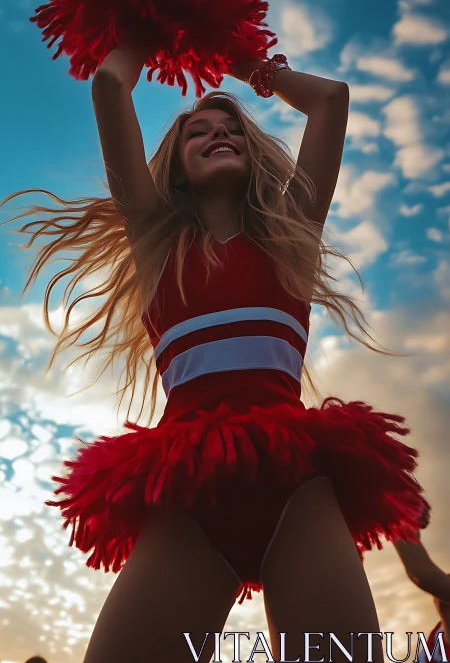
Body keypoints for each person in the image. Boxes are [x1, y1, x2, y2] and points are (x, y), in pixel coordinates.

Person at [4, 46, 430, 663]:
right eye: (197, 132)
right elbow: (108, 85)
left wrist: (245, 63)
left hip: (297, 488)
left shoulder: (293, 235)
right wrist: (148, 35)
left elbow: (330, 99)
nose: (218, 133)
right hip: (190, 497)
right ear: (174, 165)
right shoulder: (155, 240)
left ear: (253, 151)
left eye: (232, 129)